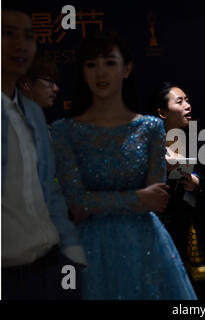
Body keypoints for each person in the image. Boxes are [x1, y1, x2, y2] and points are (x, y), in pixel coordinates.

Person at [49, 31, 197, 300]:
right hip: (89, 246)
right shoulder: (64, 132)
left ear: (126, 68)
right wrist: (135, 198)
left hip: (144, 243)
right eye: (91, 65)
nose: (100, 72)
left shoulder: (150, 128)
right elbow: (76, 204)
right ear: (82, 72)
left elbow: (157, 200)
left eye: (109, 62)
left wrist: (99, 201)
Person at [1, 3, 86, 300]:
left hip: (50, 260)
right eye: (8, 34)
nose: (20, 45)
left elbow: (50, 192)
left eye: (28, 36)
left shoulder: (38, 122)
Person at [151, 82, 205, 300]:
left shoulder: (199, 141)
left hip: (197, 228)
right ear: (162, 112)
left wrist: (196, 183)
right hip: (164, 232)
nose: (187, 105)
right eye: (179, 102)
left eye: (187, 100)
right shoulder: (151, 145)